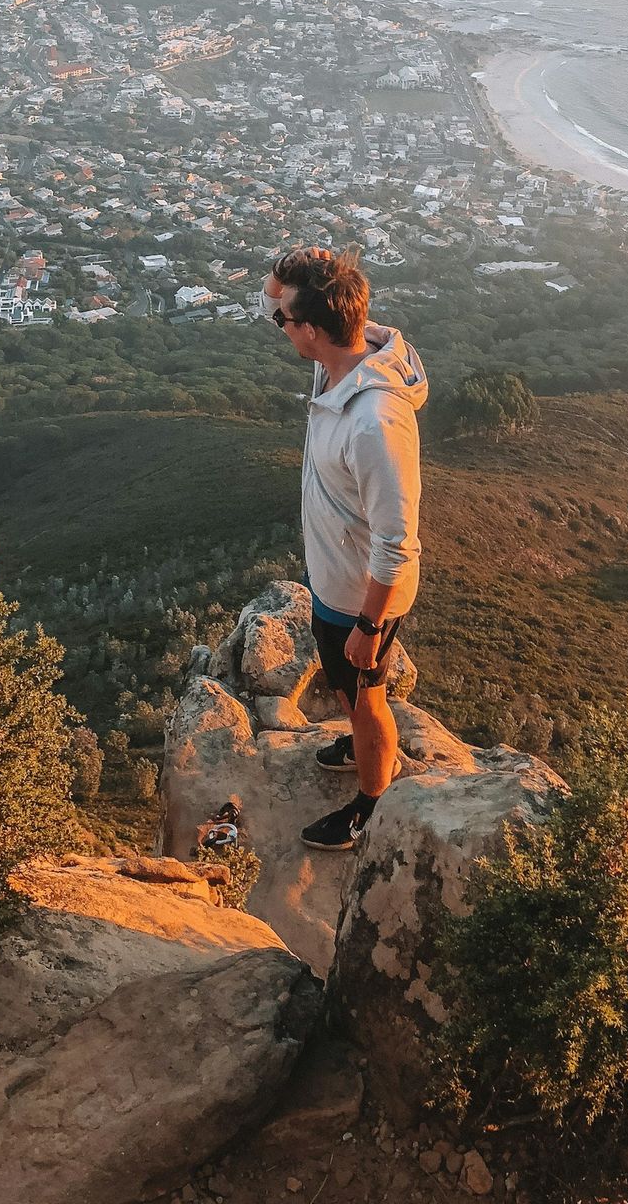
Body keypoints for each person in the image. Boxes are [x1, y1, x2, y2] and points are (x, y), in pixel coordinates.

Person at [262, 246, 428, 851]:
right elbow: (274, 301)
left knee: (365, 694)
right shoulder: (340, 359)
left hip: (365, 593)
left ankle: (371, 803)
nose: (277, 325)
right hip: (338, 578)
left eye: (286, 322)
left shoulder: (374, 420)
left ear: (312, 330)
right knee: (343, 684)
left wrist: (369, 623)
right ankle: (360, 742)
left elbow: (397, 540)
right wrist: (287, 269)